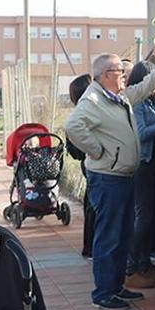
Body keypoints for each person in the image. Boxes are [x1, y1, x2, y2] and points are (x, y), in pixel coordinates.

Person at [64, 45, 155, 310]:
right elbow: (72, 126)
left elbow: (144, 87)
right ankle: (103, 293)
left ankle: (115, 286)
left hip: (123, 175)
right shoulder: (93, 100)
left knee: (122, 235)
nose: (124, 76)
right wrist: (98, 150)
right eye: (120, 71)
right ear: (106, 74)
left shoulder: (117, 96)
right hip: (108, 178)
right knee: (109, 237)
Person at [125, 60, 155, 289]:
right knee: (142, 218)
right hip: (143, 164)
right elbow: (141, 133)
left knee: (152, 216)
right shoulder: (138, 104)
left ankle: (145, 264)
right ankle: (132, 267)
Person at [65, 74, 95, 258]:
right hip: (92, 163)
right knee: (93, 206)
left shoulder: (77, 114)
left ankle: (89, 246)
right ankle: (90, 247)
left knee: (91, 204)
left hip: (87, 163)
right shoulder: (84, 116)